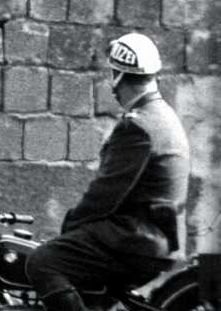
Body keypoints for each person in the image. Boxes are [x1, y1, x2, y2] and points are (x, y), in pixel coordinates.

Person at [26, 32, 189, 311]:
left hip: (134, 241)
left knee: (42, 261)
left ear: (118, 76)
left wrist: (70, 226)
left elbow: (106, 194)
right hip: (153, 238)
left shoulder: (137, 126)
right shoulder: (164, 116)